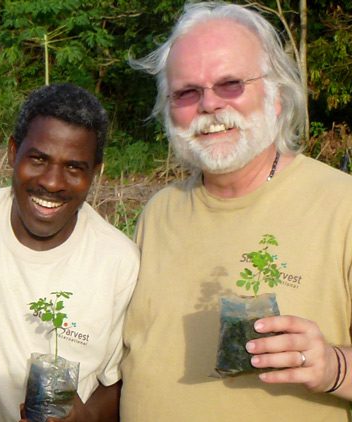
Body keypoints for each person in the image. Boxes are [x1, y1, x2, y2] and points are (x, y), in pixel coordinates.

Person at [120, 2, 352, 421]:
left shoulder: (342, 206)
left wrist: (335, 367)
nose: (209, 105)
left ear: (277, 97)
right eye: (187, 92)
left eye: (230, 84)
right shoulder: (159, 213)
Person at [0, 83, 139, 422]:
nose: (52, 183)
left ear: (94, 173)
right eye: (38, 159)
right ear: (13, 152)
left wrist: (88, 418)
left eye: (73, 167)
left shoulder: (117, 262)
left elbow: (114, 383)